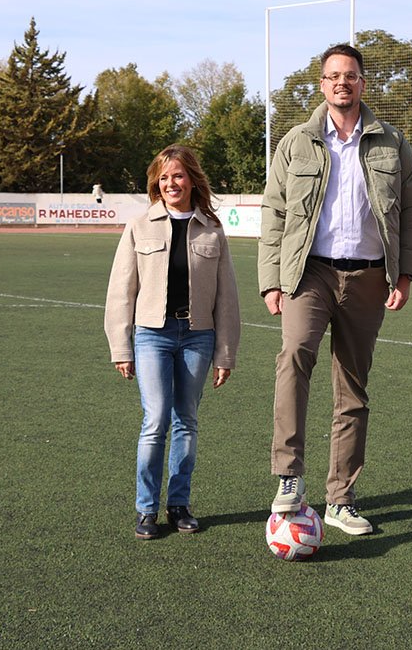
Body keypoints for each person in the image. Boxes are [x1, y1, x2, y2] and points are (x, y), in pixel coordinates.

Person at [258, 43, 412, 535]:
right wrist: (272, 279)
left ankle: (341, 498)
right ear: (322, 84)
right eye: (333, 76)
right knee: (294, 357)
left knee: (352, 388)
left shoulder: (392, 141)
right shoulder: (296, 141)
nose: (341, 84)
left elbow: (411, 211)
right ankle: (289, 477)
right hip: (309, 273)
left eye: (350, 75)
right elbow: (275, 213)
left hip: (370, 276)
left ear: (363, 83)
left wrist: (406, 273)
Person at [104, 144, 240, 540]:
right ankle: (146, 510)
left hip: (198, 336)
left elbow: (226, 297)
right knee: (156, 419)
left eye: (177, 175)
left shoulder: (212, 228)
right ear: (155, 183)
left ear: (192, 180)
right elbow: (121, 291)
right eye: (163, 177)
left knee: (187, 421)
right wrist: (121, 346)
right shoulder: (139, 225)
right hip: (152, 336)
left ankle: (179, 504)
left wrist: (225, 353)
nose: (170, 183)